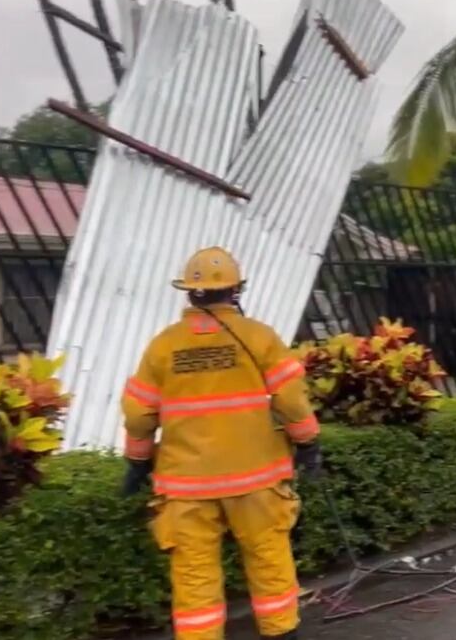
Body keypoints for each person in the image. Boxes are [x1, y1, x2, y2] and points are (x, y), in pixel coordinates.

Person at [120, 246, 322, 640]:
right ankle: (281, 633)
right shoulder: (259, 337)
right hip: (256, 481)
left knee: (194, 576)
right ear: (236, 291)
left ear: (188, 293)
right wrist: (308, 443)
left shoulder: (164, 346)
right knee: (268, 559)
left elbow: (138, 414)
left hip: (187, 486)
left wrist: (137, 461)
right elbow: (291, 399)